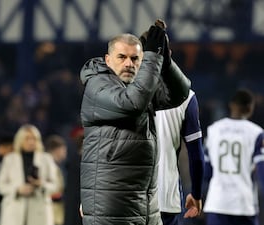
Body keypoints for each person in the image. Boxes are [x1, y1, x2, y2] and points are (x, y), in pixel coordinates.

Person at [79, 19, 191, 225]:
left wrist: (165, 61)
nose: (129, 64)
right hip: (111, 210)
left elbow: (179, 94)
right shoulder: (97, 85)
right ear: (108, 59)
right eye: (121, 57)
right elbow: (132, 104)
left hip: (144, 205)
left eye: (135, 58)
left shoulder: (139, 86)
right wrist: (152, 59)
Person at [203, 88, 264, 225]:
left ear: (231, 105)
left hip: (217, 202)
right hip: (243, 204)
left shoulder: (213, 130)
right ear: (250, 108)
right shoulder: (256, 133)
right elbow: (262, 172)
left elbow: (206, 172)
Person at [154, 89, 205, 225]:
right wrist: (196, 194)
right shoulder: (187, 96)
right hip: (165, 198)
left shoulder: (124, 87)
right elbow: (197, 157)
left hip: (126, 199)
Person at [0, 124, 58, 225]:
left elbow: (56, 185)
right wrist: (17, 189)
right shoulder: (9, 159)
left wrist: (41, 184)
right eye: (27, 138)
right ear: (20, 140)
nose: (31, 141)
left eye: (34, 138)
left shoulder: (46, 159)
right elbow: (0, 185)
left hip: (39, 210)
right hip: (14, 210)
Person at [45, 135, 67, 225]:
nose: (65, 153)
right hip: (50, 209)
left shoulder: (57, 166)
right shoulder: (46, 165)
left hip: (57, 211)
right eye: (64, 150)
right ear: (57, 150)